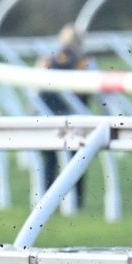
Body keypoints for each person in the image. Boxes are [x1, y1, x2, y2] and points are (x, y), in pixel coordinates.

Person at [35, 25, 94, 207]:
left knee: (50, 162)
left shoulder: (47, 60)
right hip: (75, 120)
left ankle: (46, 203)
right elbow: (83, 90)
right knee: (76, 163)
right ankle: (76, 204)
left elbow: (36, 89)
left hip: (48, 118)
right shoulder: (82, 62)